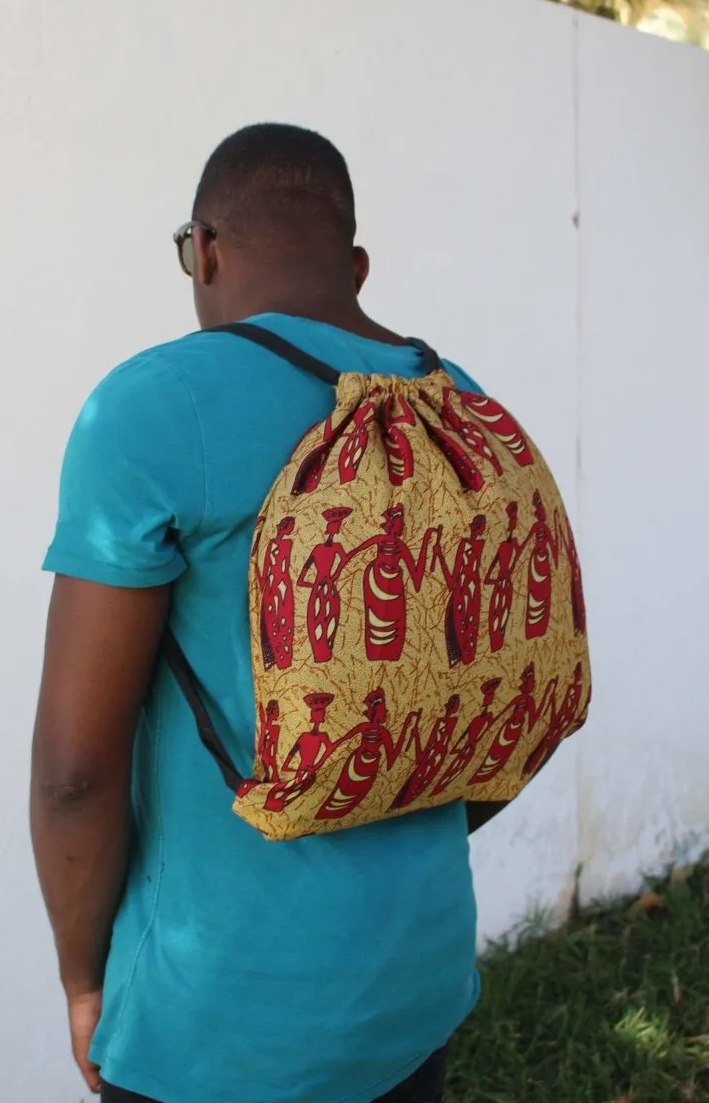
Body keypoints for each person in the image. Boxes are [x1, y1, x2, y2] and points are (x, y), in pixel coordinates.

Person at [31, 123, 503, 1103]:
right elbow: (504, 698)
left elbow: (76, 772)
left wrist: (84, 981)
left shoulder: (154, 407)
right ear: (356, 262)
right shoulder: (459, 406)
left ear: (202, 250)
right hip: (415, 987)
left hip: (217, 1029)